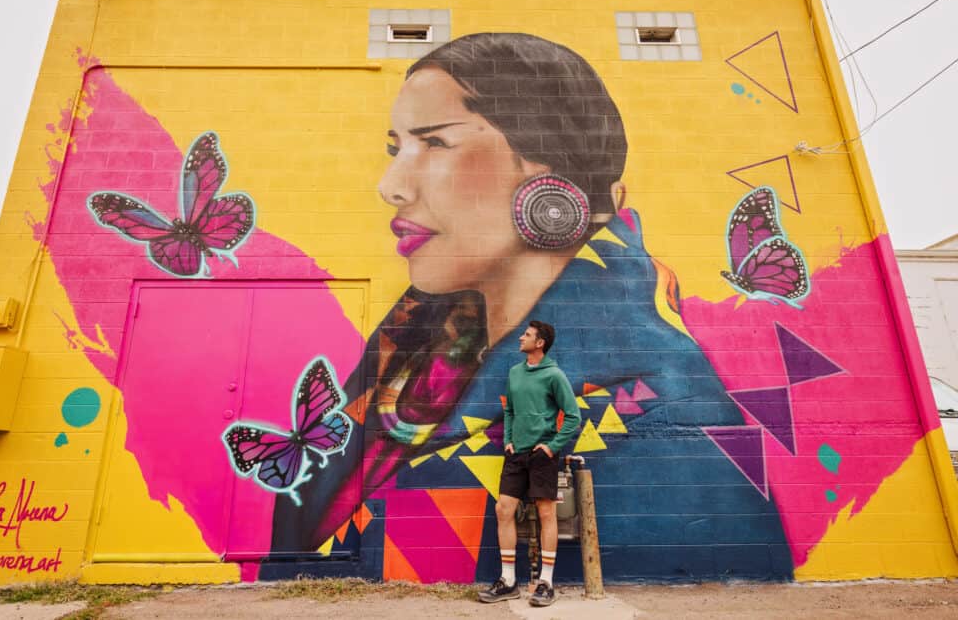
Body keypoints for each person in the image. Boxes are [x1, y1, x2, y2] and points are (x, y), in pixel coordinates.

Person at [269, 33, 792, 582]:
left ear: (550, 175)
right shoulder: (421, 348)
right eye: (396, 148)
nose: (391, 185)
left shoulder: (656, 409)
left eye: (436, 143)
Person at [478, 320, 580, 606]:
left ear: (540, 343)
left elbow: (573, 417)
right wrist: (508, 440)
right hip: (516, 454)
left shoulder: (554, 376)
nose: (520, 337)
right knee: (503, 509)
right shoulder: (514, 372)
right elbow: (509, 410)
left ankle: (546, 583)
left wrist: (552, 447)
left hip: (542, 455)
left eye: (527, 335)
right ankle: (508, 580)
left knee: (546, 514)